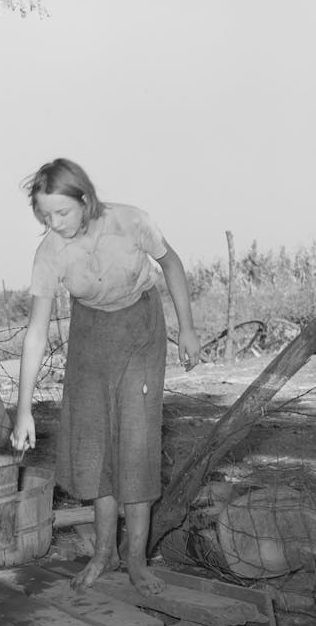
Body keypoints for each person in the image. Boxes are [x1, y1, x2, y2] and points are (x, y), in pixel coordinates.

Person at [11, 158, 201, 597]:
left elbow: (171, 266)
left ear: (86, 199)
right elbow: (37, 331)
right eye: (45, 215)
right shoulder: (51, 252)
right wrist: (23, 410)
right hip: (90, 333)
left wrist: (187, 329)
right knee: (95, 441)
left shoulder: (130, 221)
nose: (54, 223)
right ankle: (103, 553)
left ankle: (136, 558)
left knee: (134, 440)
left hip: (139, 327)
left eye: (63, 212)